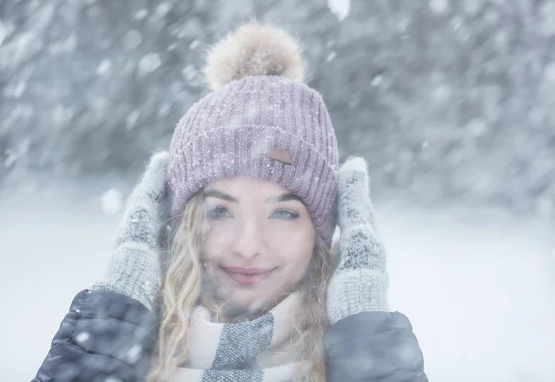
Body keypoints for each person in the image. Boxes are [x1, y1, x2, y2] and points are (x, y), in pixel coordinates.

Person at [33, 22, 428, 382]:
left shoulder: (358, 362)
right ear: (182, 223)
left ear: (321, 231)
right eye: (220, 210)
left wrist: (365, 339)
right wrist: (114, 315)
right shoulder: (121, 358)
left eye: (284, 213)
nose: (248, 245)